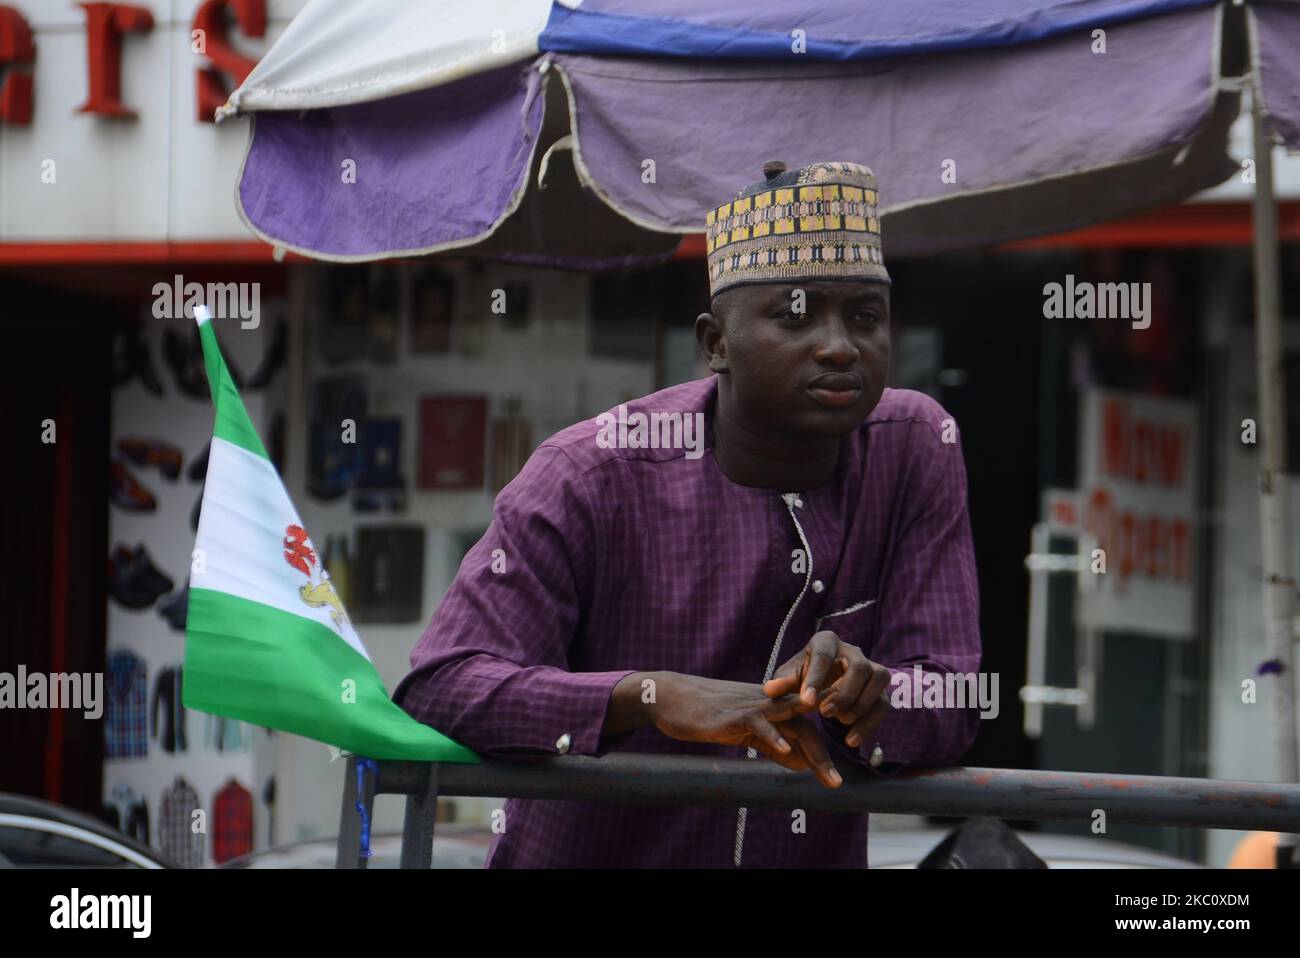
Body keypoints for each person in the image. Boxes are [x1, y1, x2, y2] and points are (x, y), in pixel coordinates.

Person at [393, 160, 984, 867]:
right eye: (795, 315)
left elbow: (952, 698)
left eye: (865, 317)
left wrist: (872, 698)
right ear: (715, 344)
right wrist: (648, 696)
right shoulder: (590, 474)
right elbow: (441, 686)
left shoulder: (916, 447)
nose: (838, 344)